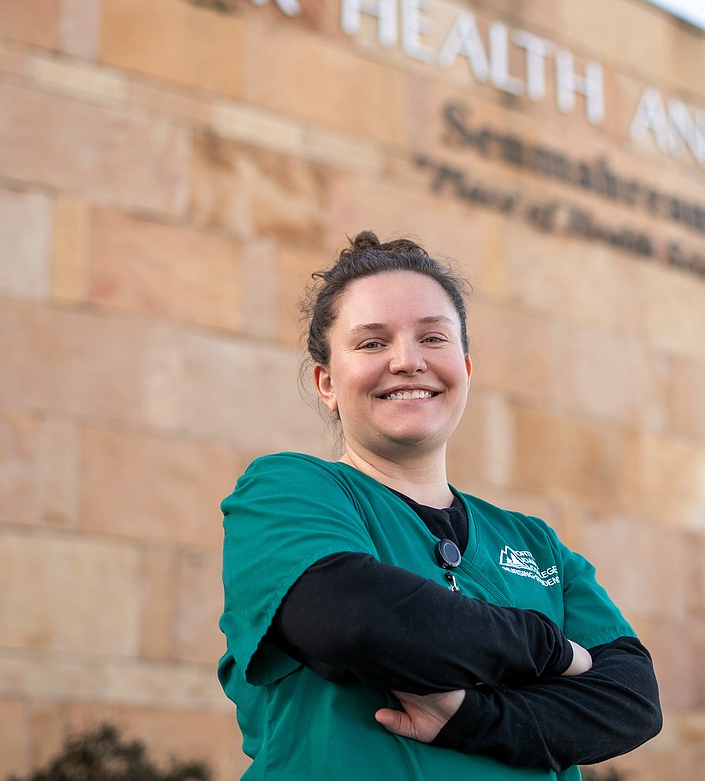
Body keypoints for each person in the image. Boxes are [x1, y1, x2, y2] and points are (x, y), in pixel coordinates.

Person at [218, 231, 661, 779]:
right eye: (372, 343)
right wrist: (556, 651)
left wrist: (475, 717)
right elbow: (351, 620)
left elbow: (632, 701)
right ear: (326, 382)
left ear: (466, 370)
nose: (407, 361)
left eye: (433, 338)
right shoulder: (286, 491)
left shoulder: (534, 543)